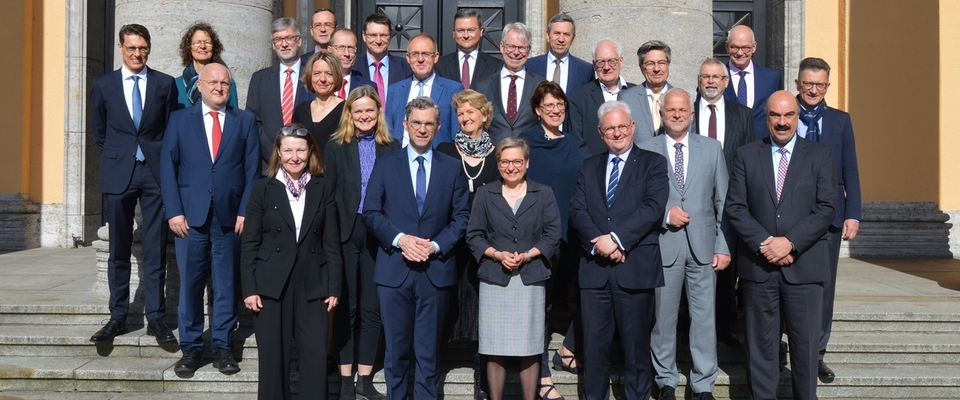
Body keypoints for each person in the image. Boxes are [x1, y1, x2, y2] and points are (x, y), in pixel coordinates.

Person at [725, 90, 836, 400]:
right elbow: (735, 207)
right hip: (759, 269)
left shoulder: (820, 154)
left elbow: (827, 207)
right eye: (776, 115)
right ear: (767, 118)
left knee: (805, 347)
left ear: (797, 117)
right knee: (760, 347)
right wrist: (766, 244)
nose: (782, 122)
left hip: (804, 268)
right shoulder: (747, 154)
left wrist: (790, 243)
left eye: (788, 115)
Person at [362, 96, 470, 400]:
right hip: (394, 270)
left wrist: (435, 245)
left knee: (428, 353)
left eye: (429, 124)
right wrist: (401, 240)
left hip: (435, 272)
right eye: (417, 123)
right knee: (395, 352)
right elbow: (370, 213)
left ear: (437, 127)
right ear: (405, 125)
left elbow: (462, 216)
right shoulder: (385, 165)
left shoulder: (451, 167)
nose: (422, 129)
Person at [160, 63, 262, 374]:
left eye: (225, 84)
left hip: (230, 219)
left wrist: (246, 209)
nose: (219, 87)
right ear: (200, 86)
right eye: (213, 82)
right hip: (189, 218)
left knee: (226, 285)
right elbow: (168, 167)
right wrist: (174, 211)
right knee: (190, 284)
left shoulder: (244, 121)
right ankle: (190, 349)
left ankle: (222, 347)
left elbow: (252, 171)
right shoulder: (179, 120)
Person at [569, 100, 669, 400]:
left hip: (635, 269)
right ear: (600, 132)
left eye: (622, 127)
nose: (617, 133)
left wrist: (617, 239)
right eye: (610, 128)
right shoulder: (589, 165)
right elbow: (577, 210)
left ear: (633, 127)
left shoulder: (653, 163)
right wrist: (600, 243)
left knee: (636, 351)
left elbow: (653, 207)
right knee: (594, 352)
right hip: (595, 273)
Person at [89, 24, 178, 345]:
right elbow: (99, 131)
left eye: (142, 48)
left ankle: (156, 318)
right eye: (131, 48)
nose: (137, 54)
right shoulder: (104, 85)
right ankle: (117, 317)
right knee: (119, 249)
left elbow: (171, 128)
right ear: (120, 48)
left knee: (155, 248)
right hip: (119, 173)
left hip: (154, 175)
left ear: (149, 48)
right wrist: (119, 156)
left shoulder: (164, 84)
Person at [639, 88, 729, 400]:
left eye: (683, 110)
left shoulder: (711, 148)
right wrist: (665, 215)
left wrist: (723, 245)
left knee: (704, 319)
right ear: (661, 114)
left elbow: (724, 202)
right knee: (663, 319)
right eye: (670, 110)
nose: (677, 114)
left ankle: (702, 384)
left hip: (704, 248)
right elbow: (638, 199)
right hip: (664, 246)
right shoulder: (646, 148)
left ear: (692, 114)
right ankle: (665, 381)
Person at [240, 123, 341, 399]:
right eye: (288, 151)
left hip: (314, 282)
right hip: (271, 284)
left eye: (300, 150)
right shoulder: (262, 188)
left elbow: (331, 241)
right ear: (279, 153)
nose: (294, 157)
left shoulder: (324, 187)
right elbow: (250, 242)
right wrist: (249, 288)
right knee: (273, 360)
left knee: (316, 356)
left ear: (310, 152)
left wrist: (334, 286)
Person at [466, 137, 561, 400]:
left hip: (530, 279)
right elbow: (473, 235)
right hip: (495, 279)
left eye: (517, 161)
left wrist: (529, 255)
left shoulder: (544, 193)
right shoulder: (485, 194)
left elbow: (553, 234)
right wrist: (497, 254)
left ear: (527, 163)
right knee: (493, 347)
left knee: (530, 347)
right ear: (498, 164)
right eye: (505, 161)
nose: (511, 167)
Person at [324, 85, 400, 400]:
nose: (364, 116)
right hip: (345, 232)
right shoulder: (335, 146)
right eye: (358, 111)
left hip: (377, 234)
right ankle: (344, 382)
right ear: (350, 114)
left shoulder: (392, 147)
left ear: (378, 112)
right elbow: (328, 195)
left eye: (370, 110)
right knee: (346, 309)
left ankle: (365, 381)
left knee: (371, 310)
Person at [793, 57, 861, 383]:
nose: (814, 90)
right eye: (808, 83)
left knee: (825, 287)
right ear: (798, 83)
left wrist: (854, 214)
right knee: (786, 284)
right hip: (790, 217)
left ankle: (816, 355)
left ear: (828, 86)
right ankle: (787, 348)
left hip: (831, 218)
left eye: (820, 84)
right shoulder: (782, 115)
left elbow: (851, 169)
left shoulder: (840, 120)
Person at [517, 81, 583, 400]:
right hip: (541, 237)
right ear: (536, 110)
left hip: (574, 233)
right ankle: (542, 374)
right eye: (549, 106)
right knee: (540, 308)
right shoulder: (526, 143)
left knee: (591, 294)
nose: (556, 111)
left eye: (560, 105)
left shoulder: (572, 142)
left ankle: (568, 347)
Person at [692, 57, 756, 349]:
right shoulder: (685, 112)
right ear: (698, 80)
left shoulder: (742, 114)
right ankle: (688, 326)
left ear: (726, 82)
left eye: (717, 77)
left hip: (730, 200)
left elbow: (750, 159)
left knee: (726, 266)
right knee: (691, 264)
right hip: (691, 199)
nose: (711, 81)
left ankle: (725, 327)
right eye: (705, 76)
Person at [247, 18, 315, 164]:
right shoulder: (260, 79)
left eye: (289, 38)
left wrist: (302, 153)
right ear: (273, 45)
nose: (284, 44)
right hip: (269, 164)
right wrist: (275, 154)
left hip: (306, 163)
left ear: (299, 41)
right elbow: (254, 122)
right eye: (278, 40)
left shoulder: (313, 76)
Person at [474, 22, 546, 144]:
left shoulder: (541, 85)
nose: (516, 52)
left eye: (522, 47)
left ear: (528, 51)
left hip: (529, 155)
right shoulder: (483, 86)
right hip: (492, 156)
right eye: (511, 46)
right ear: (502, 47)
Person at [385, 33, 462, 146]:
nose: (420, 59)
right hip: (401, 159)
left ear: (435, 57)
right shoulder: (394, 90)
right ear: (408, 58)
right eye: (415, 54)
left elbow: (457, 134)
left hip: (438, 159)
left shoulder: (453, 90)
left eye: (426, 54)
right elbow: (388, 133)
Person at [569, 38, 635, 158]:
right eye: (601, 62)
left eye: (612, 61)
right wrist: (593, 168)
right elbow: (576, 140)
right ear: (594, 65)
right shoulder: (579, 96)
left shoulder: (636, 93)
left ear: (621, 61)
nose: (606, 67)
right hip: (594, 169)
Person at [723, 25, 784, 140]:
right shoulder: (716, 79)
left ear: (754, 47)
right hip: (728, 149)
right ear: (727, 46)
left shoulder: (771, 78)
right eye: (735, 47)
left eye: (745, 48)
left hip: (763, 148)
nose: (740, 53)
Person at [618, 40, 675, 143]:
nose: (656, 69)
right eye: (650, 64)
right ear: (641, 67)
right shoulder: (626, 98)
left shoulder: (681, 98)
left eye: (662, 63)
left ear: (668, 65)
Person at [435, 8, 503, 90]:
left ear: (481, 31)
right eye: (460, 30)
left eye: (471, 30)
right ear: (454, 33)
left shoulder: (496, 66)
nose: (466, 35)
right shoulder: (439, 66)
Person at [175, 22, 238, 109]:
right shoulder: (176, 84)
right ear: (189, 47)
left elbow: (234, 114)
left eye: (207, 42)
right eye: (197, 42)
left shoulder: (226, 82)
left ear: (214, 47)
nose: (202, 46)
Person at [526, 13, 594, 94]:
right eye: (557, 33)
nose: (561, 39)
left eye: (566, 34)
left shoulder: (585, 70)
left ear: (573, 39)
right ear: (548, 36)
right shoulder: (529, 66)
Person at [356, 13, 413, 104]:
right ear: (364, 36)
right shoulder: (354, 66)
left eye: (383, 35)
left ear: (390, 36)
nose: (378, 41)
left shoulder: (405, 67)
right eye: (373, 35)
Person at [293, 51, 344, 151]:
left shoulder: (346, 110)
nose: (323, 79)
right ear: (310, 77)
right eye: (317, 73)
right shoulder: (301, 110)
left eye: (329, 74)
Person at [329, 28, 375, 99]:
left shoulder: (368, 87)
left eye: (351, 48)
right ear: (329, 50)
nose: (347, 54)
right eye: (341, 48)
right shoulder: (317, 84)